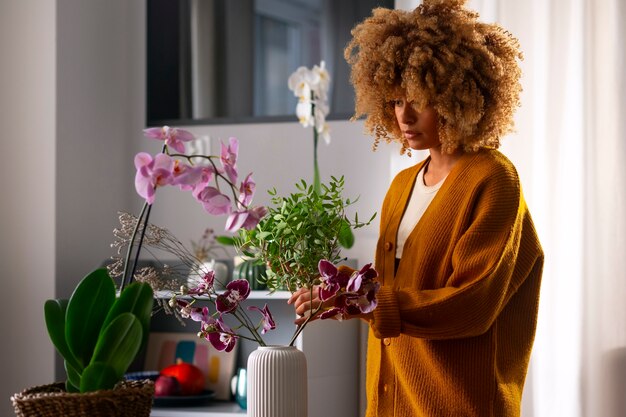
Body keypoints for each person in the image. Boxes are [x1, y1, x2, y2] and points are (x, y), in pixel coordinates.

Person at [288, 0, 544, 416]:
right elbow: (395, 290)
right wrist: (344, 293)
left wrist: (367, 302)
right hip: (390, 401)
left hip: (460, 403)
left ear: (458, 94)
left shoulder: (493, 179)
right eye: (392, 101)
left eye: (417, 99)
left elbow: (472, 305)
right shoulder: (401, 185)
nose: (403, 115)